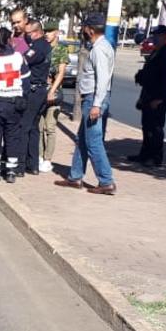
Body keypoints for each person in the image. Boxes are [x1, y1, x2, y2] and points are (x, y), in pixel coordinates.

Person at [54, 12, 116, 195]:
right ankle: (75, 177)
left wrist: (96, 104)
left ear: (90, 30)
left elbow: (103, 78)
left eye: (84, 28)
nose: (83, 30)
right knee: (82, 139)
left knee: (93, 142)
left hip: (94, 99)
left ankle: (106, 181)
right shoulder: (102, 46)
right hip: (92, 98)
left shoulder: (99, 50)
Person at [0, 26, 28, 182]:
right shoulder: (18, 57)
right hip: (14, 103)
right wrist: (24, 98)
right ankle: (11, 171)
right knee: (12, 137)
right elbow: (27, 80)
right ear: (10, 40)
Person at [130, 24, 166, 167]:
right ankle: (144, 155)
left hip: (157, 98)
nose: (155, 38)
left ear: (164, 36)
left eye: (157, 36)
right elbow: (148, 74)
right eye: (154, 36)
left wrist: (159, 99)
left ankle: (155, 157)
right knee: (146, 127)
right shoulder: (154, 52)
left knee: (155, 129)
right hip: (147, 94)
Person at [20, 20, 51, 175]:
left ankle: (21, 164)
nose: (27, 36)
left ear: (37, 32)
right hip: (40, 90)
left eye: (29, 33)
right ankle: (33, 164)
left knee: (24, 126)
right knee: (33, 128)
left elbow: (24, 60)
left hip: (34, 91)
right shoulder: (44, 45)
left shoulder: (38, 47)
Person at [38, 25, 68, 172]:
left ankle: (47, 159)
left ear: (56, 32)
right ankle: (38, 156)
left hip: (53, 94)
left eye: (50, 32)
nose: (47, 34)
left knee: (49, 127)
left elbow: (61, 73)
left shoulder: (61, 50)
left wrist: (52, 90)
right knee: (38, 126)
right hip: (40, 91)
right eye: (45, 31)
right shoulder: (42, 47)